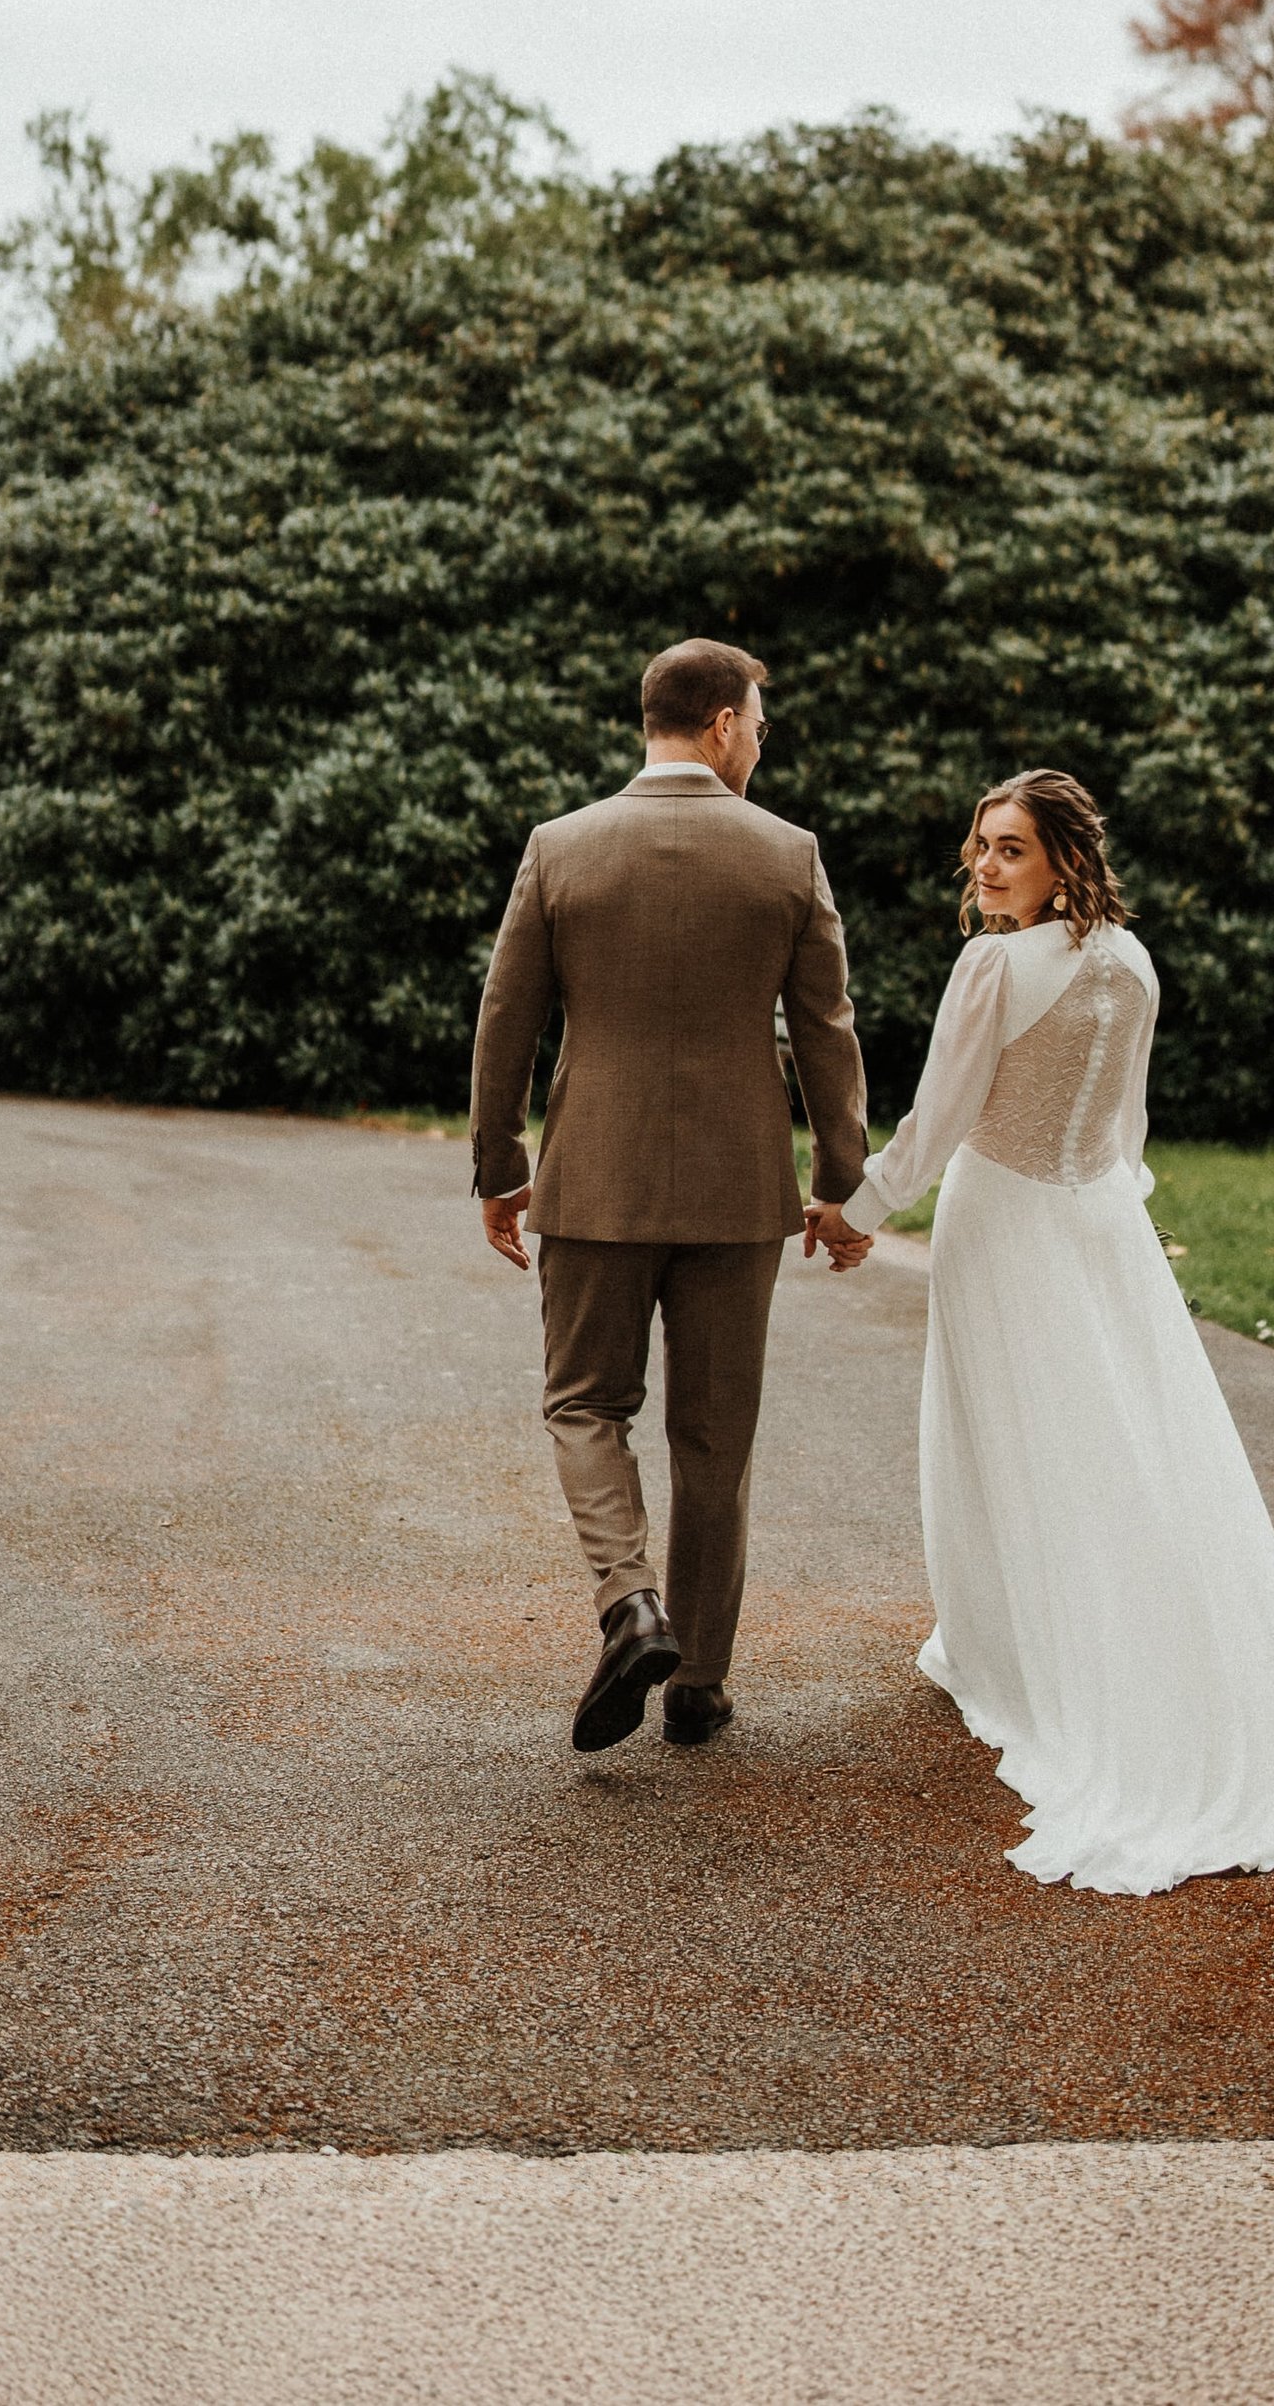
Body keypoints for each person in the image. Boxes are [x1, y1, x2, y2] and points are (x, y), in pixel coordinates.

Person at [809, 769, 1274, 1894]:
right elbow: (1127, 1120)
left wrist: (857, 1213)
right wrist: (1106, 1202)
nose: (984, 867)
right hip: (1102, 1224)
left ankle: (1011, 1657)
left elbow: (942, 1115)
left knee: (1007, 1441)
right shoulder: (1133, 961)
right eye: (980, 847)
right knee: (1117, 1443)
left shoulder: (994, 963)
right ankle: (1116, 1644)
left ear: (1063, 859)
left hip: (1005, 1221)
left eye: (1009, 849)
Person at [470, 640, 870, 1753]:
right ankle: (696, 1684)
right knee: (714, 1439)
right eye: (759, 719)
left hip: (593, 1179)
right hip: (741, 1192)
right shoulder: (789, 855)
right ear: (721, 722)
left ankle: (627, 1602)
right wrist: (841, 1187)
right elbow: (827, 1035)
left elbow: (506, 1021)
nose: (761, 738)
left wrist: (502, 1165)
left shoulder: (562, 848)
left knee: (585, 1405)